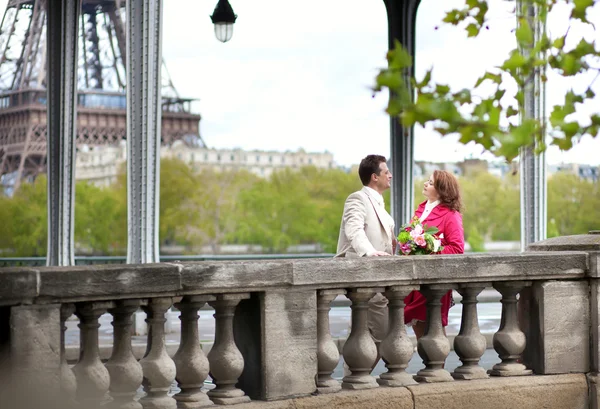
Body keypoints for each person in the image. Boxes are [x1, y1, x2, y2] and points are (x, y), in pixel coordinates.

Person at [336, 154, 395, 347]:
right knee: (380, 335)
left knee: (368, 334)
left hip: (381, 279)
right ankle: (354, 374)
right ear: (374, 177)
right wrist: (369, 252)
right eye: (387, 172)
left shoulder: (380, 204)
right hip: (366, 276)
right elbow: (354, 229)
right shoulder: (357, 198)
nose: (391, 175)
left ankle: (354, 374)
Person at [403, 169, 464, 339]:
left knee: (432, 330)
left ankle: (436, 365)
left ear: (441, 190)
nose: (425, 184)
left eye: (430, 183)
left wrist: (430, 251)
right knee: (419, 327)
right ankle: (431, 365)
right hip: (416, 279)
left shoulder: (451, 215)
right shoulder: (421, 209)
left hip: (434, 280)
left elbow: (457, 248)